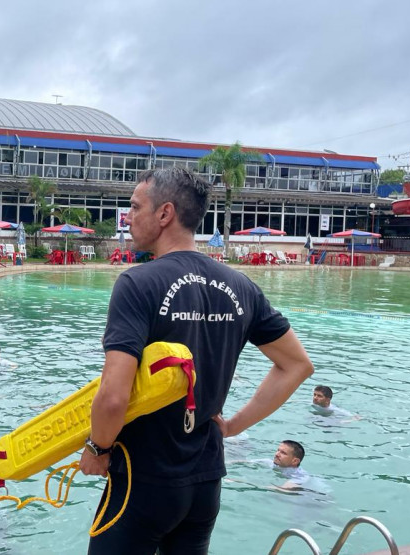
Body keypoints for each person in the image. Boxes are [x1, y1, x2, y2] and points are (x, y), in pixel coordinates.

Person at [78, 167, 314, 554]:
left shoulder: (138, 283)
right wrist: (233, 425)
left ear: (165, 213)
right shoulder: (240, 286)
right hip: (205, 483)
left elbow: (113, 395)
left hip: (143, 480)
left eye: (135, 206)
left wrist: (98, 448)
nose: (128, 216)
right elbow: (297, 365)